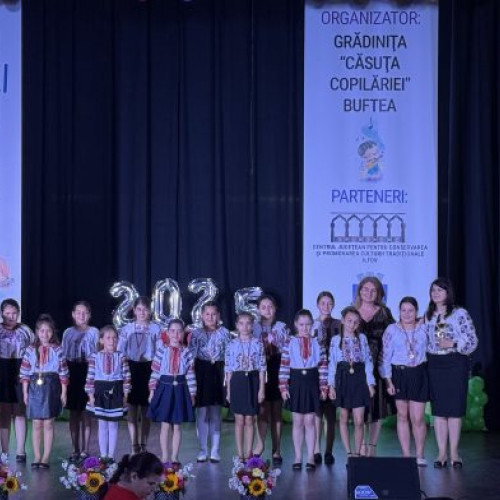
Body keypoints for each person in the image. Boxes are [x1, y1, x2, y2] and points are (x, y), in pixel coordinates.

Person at [425, 278, 478, 469]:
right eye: (433, 290)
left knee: (454, 411)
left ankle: (454, 452)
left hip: (455, 363)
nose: (436, 293)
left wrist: (453, 343)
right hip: (434, 364)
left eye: (440, 290)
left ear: (448, 293)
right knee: (439, 411)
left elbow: (472, 341)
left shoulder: (459, 313)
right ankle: (441, 453)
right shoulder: (428, 315)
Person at [380, 297, 429, 466]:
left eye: (411, 310)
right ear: (399, 312)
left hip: (419, 373)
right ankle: (407, 456)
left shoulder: (423, 328)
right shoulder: (392, 330)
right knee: (402, 415)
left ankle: (420, 454)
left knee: (418, 418)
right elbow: (385, 357)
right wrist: (388, 381)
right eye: (403, 310)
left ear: (416, 312)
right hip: (399, 374)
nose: (407, 314)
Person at [279, 309, 328, 471]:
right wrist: (283, 386)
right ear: (295, 325)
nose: (305, 328)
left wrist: (323, 386)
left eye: (308, 324)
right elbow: (284, 365)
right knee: (298, 421)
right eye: (301, 324)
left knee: (310, 421)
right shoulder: (289, 343)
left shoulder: (318, 343)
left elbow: (323, 366)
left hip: (312, 382)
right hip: (296, 382)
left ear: (312, 325)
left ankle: (311, 456)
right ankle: (298, 456)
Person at [20, 314, 68, 468]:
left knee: (48, 423)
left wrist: (64, 392)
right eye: (42, 330)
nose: (45, 334)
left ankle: (46, 457)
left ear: (52, 332)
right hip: (35, 387)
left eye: (48, 331)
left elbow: (63, 373)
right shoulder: (30, 349)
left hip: (52, 386)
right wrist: (25, 392)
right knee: (36, 423)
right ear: (37, 332)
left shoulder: (58, 350)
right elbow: (24, 373)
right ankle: (37, 456)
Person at [354, 276, 395, 456]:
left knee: (377, 407)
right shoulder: (352, 312)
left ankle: (372, 446)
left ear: (379, 293)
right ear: (360, 291)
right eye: (365, 289)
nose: (369, 293)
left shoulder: (385, 313)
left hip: (379, 366)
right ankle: (362, 443)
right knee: (360, 407)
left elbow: (394, 335)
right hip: (357, 367)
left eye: (373, 290)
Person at [328, 306, 375, 460]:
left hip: (359, 378)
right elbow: (332, 363)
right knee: (343, 416)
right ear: (342, 321)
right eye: (349, 321)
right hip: (342, 378)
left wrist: (370, 383)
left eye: (355, 322)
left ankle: (357, 452)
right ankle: (349, 453)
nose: (352, 325)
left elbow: (368, 361)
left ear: (359, 323)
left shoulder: (362, 339)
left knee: (359, 420)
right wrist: (331, 385)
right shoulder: (335, 340)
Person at [148, 319, 196, 464]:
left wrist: (192, 393)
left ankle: (175, 456)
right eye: (173, 331)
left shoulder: (187, 352)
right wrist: (152, 391)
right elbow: (155, 373)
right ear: (167, 333)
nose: (176, 334)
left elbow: (190, 374)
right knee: (165, 425)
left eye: (179, 331)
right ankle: (164, 456)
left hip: (180, 389)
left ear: (183, 334)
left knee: (177, 425)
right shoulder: (161, 351)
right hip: (165, 388)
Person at [188, 301, 231, 463]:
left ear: (218, 315)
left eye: (213, 314)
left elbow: (229, 355)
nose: (210, 317)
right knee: (202, 412)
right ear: (202, 315)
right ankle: (203, 449)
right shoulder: (196, 333)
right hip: (201, 371)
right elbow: (191, 355)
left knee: (215, 411)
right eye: (207, 314)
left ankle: (215, 450)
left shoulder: (225, 333)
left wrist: (228, 377)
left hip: (219, 371)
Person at [118, 296, 161, 454]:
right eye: (139, 309)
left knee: (146, 411)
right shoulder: (127, 329)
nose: (142, 312)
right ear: (134, 311)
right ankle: (134, 445)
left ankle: (144, 444)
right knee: (131, 410)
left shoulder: (155, 329)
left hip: (149, 368)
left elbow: (160, 351)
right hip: (131, 368)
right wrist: (122, 371)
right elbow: (120, 351)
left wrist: (157, 372)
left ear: (150, 311)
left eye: (145, 309)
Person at [252, 294, 289, 465]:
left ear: (276, 309)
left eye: (270, 306)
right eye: (263, 307)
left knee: (276, 410)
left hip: (277, 367)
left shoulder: (282, 327)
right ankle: (259, 446)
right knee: (262, 410)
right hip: (260, 368)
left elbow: (287, 349)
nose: (267, 310)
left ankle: (277, 449)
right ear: (258, 309)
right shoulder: (253, 327)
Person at [85, 325, 131, 459]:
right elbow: (90, 376)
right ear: (101, 340)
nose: (112, 341)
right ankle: (103, 455)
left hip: (116, 391)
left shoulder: (121, 356)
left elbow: (127, 377)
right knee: (102, 424)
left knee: (113, 424)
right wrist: (90, 395)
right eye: (108, 338)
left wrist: (125, 395)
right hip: (100, 391)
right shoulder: (95, 356)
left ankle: (111, 456)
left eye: (114, 338)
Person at [225, 312, 266, 461]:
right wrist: (228, 391)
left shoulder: (258, 344)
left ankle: (249, 453)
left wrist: (261, 389)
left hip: (253, 381)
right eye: (241, 323)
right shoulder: (231, 345)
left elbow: (262, 369)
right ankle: (240, 453)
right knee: (239, 420)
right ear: (237, 325)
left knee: (250, 419)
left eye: (248, 323)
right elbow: (228, 370)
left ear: (252, 325)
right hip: (237, 381)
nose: (245, 326)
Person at [62, 300, 99, 460]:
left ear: (89, 315)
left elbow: (98, 353)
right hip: (72, 370)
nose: (81, 315)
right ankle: (75, 448)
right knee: (74, 413)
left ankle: (85, 448)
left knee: (86, 412)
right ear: (73, 314)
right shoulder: (68, 332)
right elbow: (63, 355)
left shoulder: (94, 332)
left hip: (88, 371)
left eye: (85, 313)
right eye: (78, 312)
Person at [0, 298, 34, 462]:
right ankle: (4, 452)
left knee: (20, 411)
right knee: (4, 412)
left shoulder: (25, 330)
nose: (11, 316)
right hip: (2, 370)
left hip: (21, 369)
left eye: (14, 313)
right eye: (7, 313)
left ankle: (21, 451)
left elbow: (35, 349)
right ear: (2, 314)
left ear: (18, 313)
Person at [311, 291, 341, 465]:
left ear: (333, 305)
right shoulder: (311, 324)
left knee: (330, 415)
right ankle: (316, 450)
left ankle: (328, 451)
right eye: (323, 303)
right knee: (317, 413)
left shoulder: (339, 324)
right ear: (318, 305)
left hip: (333, 372)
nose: (326, 306)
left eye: (329, 303)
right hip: (316, 372)